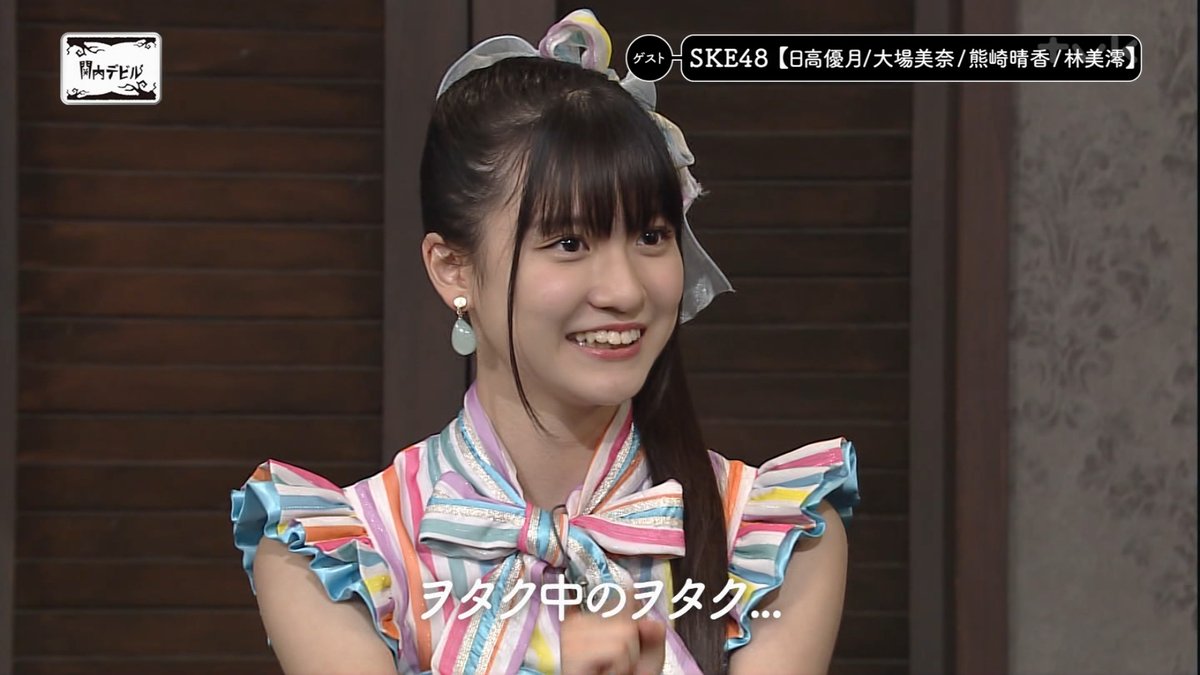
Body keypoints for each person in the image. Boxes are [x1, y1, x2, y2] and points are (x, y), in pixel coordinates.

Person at [230, 9, 859, 675]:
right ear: (454, 269)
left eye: (651, 235)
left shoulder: (774, 534)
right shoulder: (340, 554)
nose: (624, 289)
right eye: (569, 242)